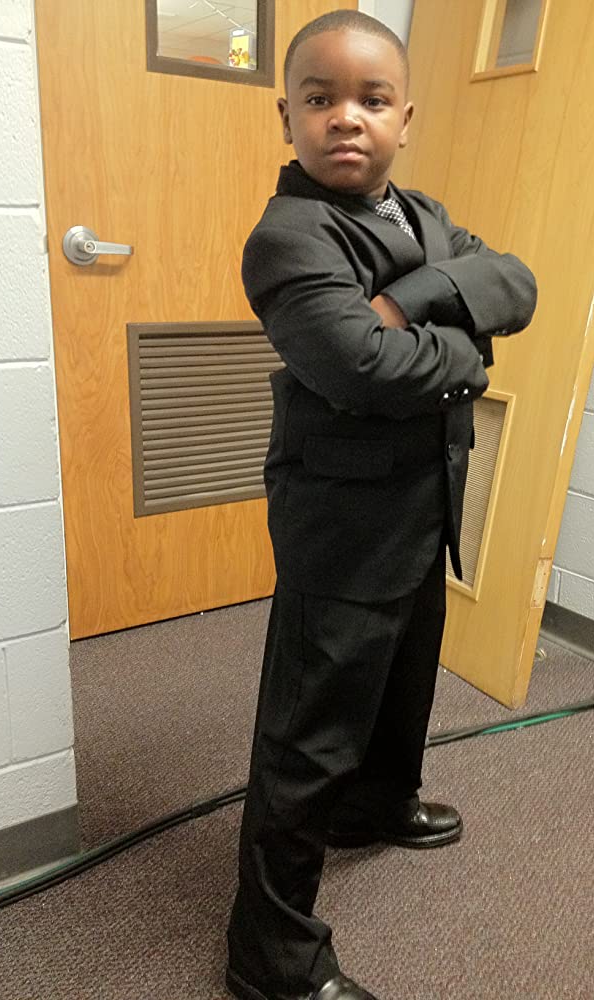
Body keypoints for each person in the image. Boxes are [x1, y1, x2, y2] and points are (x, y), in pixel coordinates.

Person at [226, 11, 537, 1000]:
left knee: (403, 683)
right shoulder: (288, 236)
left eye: (371, 99)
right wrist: (465, 348)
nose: (346, 117)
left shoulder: (425, 215)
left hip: (422, 502)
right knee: (309, 734)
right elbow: (359, 369)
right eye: (320, 98)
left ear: (406, 117)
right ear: (287, 117)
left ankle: (376, 804)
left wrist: (413, 300)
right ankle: (270, 959)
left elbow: (517, 284)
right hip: (343, 525)